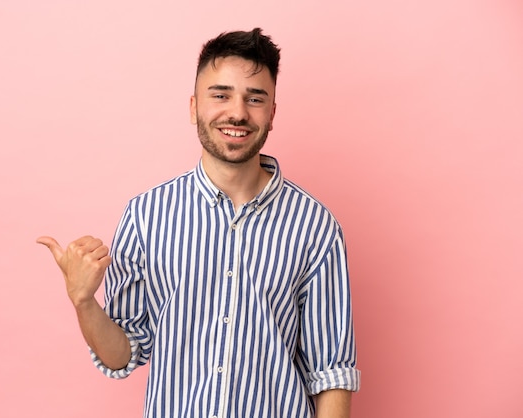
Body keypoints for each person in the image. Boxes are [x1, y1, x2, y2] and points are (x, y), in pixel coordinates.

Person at [37, 28, 360, 418]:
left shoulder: (315, 226)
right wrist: (84, 301)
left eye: (254, 98)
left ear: (272, 114)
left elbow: (331, 373)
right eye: (220, 95)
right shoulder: (145, 216)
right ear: (193, 107)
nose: (238, 112)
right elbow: (121, 355)